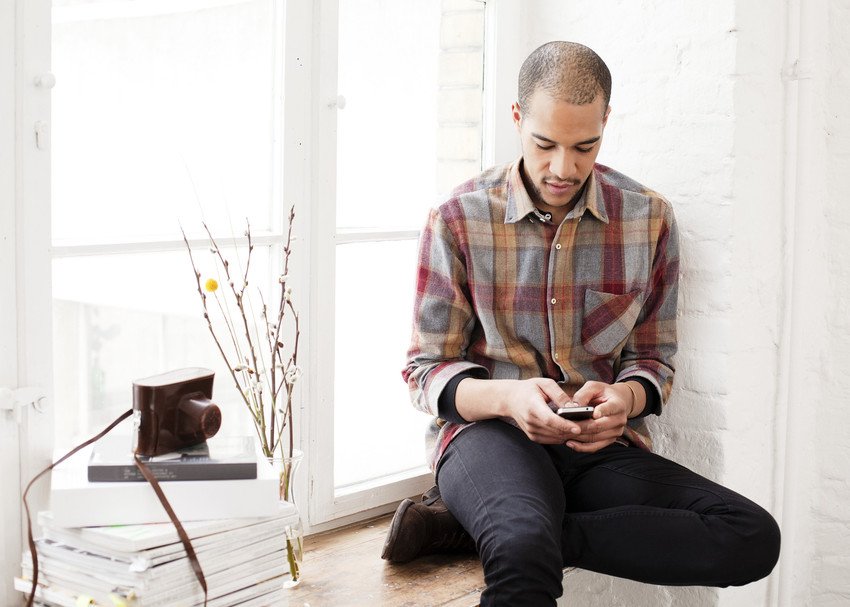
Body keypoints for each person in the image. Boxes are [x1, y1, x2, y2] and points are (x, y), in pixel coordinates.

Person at [380, 41, 781, 606]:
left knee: (751, 535)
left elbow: (652, 359)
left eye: (584, 146)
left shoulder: (647, 219)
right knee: (521, 554)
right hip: (490, 436)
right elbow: (425, 371)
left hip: (595, 448)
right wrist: (511, 400)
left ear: (606, 123)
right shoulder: (457, 218)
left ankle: (478, 529)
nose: (563, 168)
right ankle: (515, 535)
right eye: (544, 144)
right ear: (517, 119)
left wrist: (625, 399)